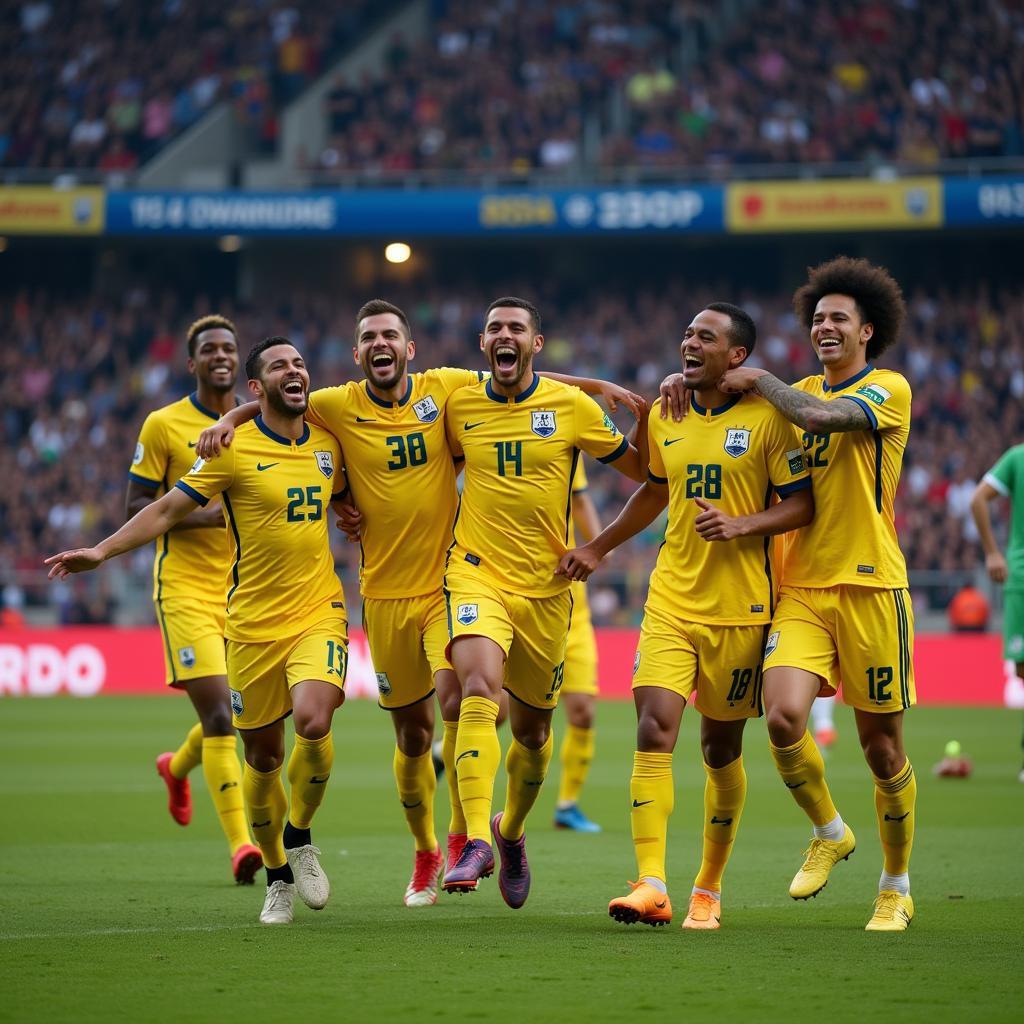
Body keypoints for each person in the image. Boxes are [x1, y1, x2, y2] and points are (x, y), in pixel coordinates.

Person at [195, 299, 644, 907]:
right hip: (387, 593)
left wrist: (592, 385)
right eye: (369, 337)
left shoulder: (449, 390)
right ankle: (429, 847)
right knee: (413, 735)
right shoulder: (336, 403)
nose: (381, 344)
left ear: (411, 349)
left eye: (391, 335)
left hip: (456, 582)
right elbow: (284, 405)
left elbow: (521, 382)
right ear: (358, 354)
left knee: (487, 710)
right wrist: (237, 421)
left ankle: (481, 837)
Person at [47, 337, 350, 927]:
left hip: (319, 611)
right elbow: (164, 510)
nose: (296, 371)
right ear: (257, 388)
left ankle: (301, 835)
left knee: (315, 721)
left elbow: (360, 492)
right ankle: (278, 874)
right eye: (280, 367)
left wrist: (357, 513)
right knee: (261, 758)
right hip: (251, 626)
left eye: (300, 363)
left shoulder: (329, 442)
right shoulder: (234, 452)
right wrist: (102, 552)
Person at [559, 303, 813, 930]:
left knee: (720, 747)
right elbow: (653, 489)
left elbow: (802, 503)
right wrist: (597, 547)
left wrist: (743, 524)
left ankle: (709, 886)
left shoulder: (767, 420)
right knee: (653, 728)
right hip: (671, 600)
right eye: (688, 333)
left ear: (737, 357)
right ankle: (651, 883)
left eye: (707, 336)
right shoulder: (664, 414)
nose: (690, 342)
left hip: (742, 610)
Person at [682, 256, 917, 932]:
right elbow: (726, 403)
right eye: (816, 319)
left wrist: (761, 380)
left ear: (867, 330)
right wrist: (684, 378)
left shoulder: (888, 388)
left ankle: (895, 885)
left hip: (873, 586)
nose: (825, 328)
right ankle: (830, 830)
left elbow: (821, 417)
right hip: (802, 589)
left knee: (881, 748)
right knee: (783, 719)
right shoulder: (789, 390)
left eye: (838, 318)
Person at [441, 296, 648, 908]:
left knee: (532, 736)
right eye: (494, 328)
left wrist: (599, 547)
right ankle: (474, 838)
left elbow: (645, 474)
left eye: (517, 329)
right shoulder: (458, 399)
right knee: (479, 688)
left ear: (537, 342)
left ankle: (509, 831)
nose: (504, 336)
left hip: (549, 589)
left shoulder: (570, 408)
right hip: (475, 574)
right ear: (483, 344)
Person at [126, 314, 261, 884]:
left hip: (246, 591)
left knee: (237, 712)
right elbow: (136, 506)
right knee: (219, 717)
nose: (221, 356)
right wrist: (203, 515)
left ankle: (176, 767)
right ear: (192, 363)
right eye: (209, 349)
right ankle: (241, 847)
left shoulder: (256, 425)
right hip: (183, 589)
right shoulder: (163, 424)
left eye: (229, 347)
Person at [553, 462, 604, 833]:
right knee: (503, 713)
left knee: (584, 710)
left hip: (576, 610)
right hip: (525, 597)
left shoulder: (566, 440)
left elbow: (581, 498)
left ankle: (567, 805)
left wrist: (600, 543)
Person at [970, 446, 1024, 781]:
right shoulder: (1018, 458)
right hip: (1021, 577)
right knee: (1021, 668)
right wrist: (992, 553)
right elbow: (978, 499)